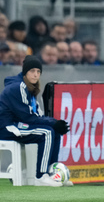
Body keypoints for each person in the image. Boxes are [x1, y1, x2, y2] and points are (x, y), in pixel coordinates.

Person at [0, 55, 70, 186]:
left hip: (18, 124)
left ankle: (52, 174)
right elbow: (28, 117)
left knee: (54, 131)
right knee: (46, 132)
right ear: (25, 72)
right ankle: (40, 177)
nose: (35, 75)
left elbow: (37, 115)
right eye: (32, 71)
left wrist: (55, 123)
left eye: (38, 72)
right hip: (6, 127)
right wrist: (54, 123)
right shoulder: (18, 87)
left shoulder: (29, 88)